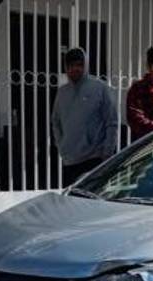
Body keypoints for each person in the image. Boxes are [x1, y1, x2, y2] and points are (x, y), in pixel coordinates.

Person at [51, 47, 118, 186]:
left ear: (86, 65)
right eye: (71, 65)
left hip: (95, 160)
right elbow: (55, 121)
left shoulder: (100, 88)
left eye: (79, 65)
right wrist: (62, 146)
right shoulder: (62, 93)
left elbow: (111, 122)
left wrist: (107, 153)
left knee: (92, 198)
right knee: (71, 198)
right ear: (66, 68)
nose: (75, 69)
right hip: (70, 160)